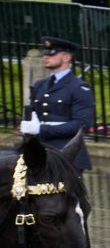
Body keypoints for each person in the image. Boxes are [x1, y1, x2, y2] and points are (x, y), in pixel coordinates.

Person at [19, 35, 95, 172]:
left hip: (66, 152)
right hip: (39, 151)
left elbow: (81, 124)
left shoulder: (79, 88)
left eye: (52, 54)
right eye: (45, 53)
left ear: (66, 58)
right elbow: (35, 114)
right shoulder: (40, 85)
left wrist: (42, 130)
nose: (46, 57)